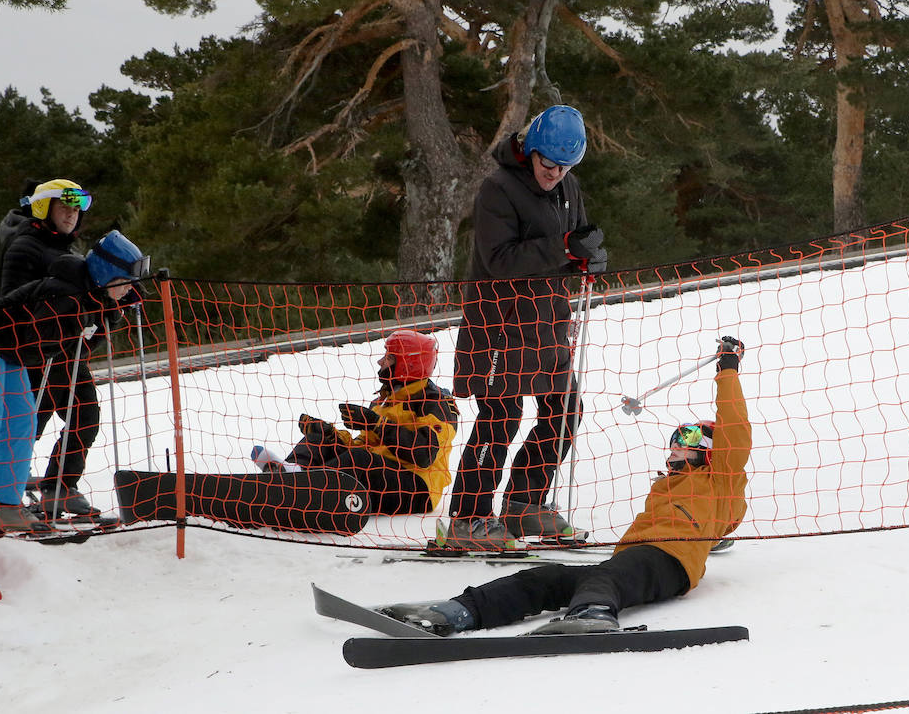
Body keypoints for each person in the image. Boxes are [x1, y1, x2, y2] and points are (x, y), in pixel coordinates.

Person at [378, 336, 748, 636]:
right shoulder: (668, 487)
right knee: (544, 577)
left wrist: (727, 369)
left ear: (713, 451)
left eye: (692, 435)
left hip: (671, 562)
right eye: (678, 434)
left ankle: (595, 614)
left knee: (606, 578)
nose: (679, 441)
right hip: (628, 562)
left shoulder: (720, 479)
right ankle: (459, 610)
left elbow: (734, 428)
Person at [447, 104, 608, 550]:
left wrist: (585, 257)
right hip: (499, 324)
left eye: (566, 166)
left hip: (547, 322)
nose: (556, 174)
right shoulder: (497, 190)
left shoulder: (568, 187)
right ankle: (468, 518)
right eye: (549, 164)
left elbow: (568, 248)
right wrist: (562, 247)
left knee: (564, 411)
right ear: (530, 151)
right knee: (501, 416)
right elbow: (500, 261)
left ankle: (524, 504)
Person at [0, 231, 147, 535]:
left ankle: (3, 503)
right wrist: (65, 337)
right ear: (107, 275)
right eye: (124, 282)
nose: (129, 289)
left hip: (15, 355)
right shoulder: (66, 292)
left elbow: (80, 348)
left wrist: (109, 316)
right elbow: (40, 337)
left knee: (23, 421)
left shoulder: (94, 296)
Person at [0, 178, 108, 518]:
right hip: (36, 348)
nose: (71, 216)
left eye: (76, 210)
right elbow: (13, 300)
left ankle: (60, 486)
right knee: (31, 419)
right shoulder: (25, 247)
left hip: (67, 347)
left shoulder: (64, 249)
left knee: (85, 416)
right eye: (64, 208)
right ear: (44, 208)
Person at [251, 330, 459, 515]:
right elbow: (364, 447)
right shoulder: (383, 400)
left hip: (416, 489)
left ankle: (306, 489)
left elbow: (423, 454)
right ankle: (286, 480)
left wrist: (376, 424)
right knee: (321, 438)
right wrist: (332, 436)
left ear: (407, 362)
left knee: (361, 458)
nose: (380, 362)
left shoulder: (436, 402)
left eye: (388, 358)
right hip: (380, 475)